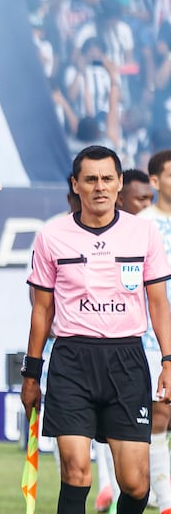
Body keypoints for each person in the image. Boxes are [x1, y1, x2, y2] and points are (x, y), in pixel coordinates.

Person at [22, 145, 171, 514]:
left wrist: (168, 361)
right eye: (90, 179)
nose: (99, 187)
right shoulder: (51, 236)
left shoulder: (144, 233)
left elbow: (158, 303)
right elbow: (42, 310)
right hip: (72, 360)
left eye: (107, 179)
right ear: (76, 185)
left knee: (135, 483)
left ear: (119, 183)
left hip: (127, 360)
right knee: (76, 473)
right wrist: (31, 374)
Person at [143, 150, 171, 514]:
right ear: (155, 181)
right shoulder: (142, 226)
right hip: (153, 338)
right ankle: (165, 500)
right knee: (159, 416)